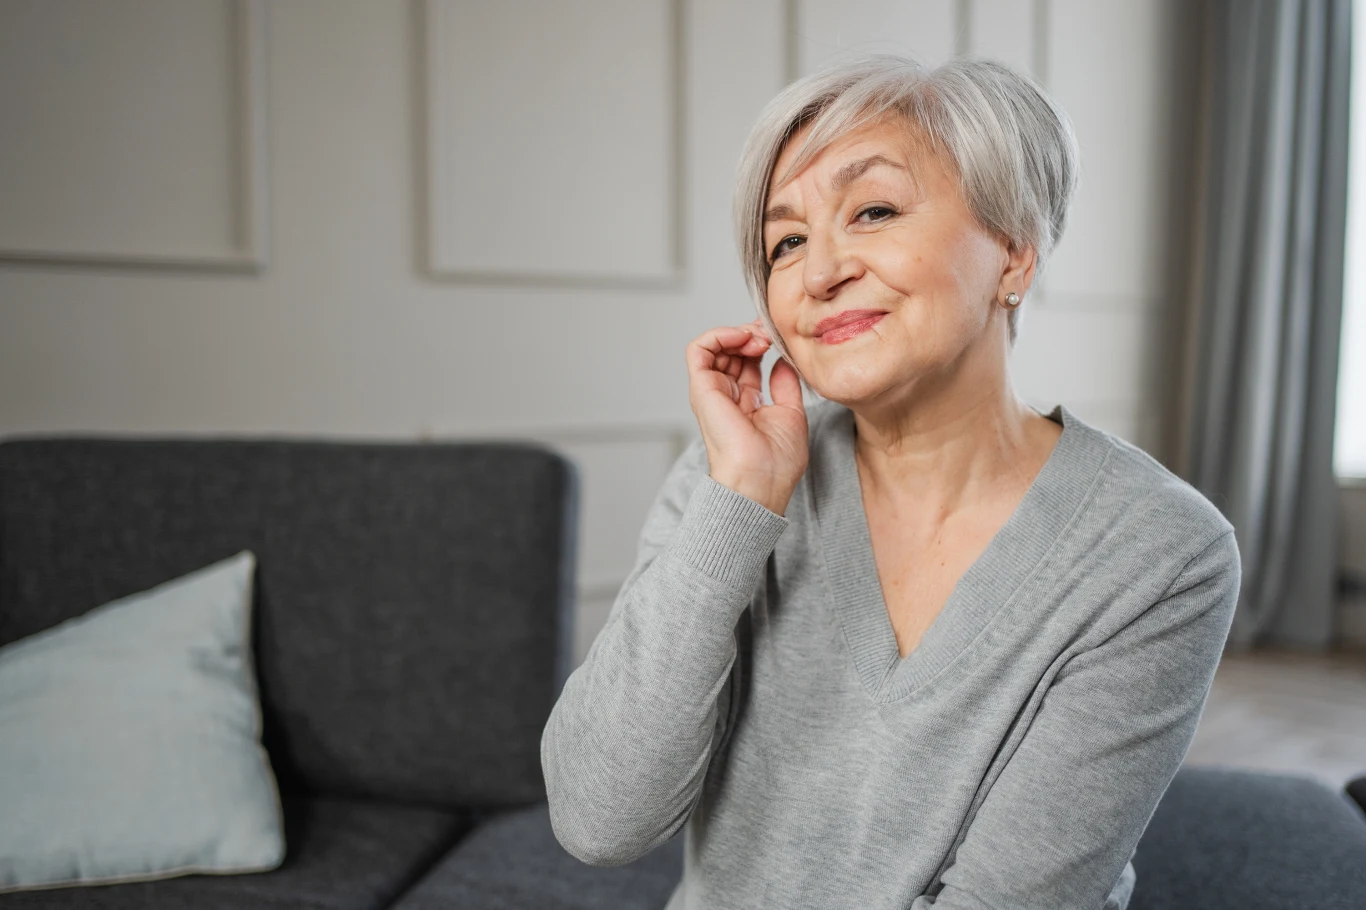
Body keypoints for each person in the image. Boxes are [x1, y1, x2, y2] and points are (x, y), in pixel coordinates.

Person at [540, 53, 1241, 910]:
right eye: (786, 242)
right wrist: (741, 501)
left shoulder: (1159, 551)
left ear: (1014, 253)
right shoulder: (730, 479)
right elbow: (598, 820)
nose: (818, 273)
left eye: (872, 211)